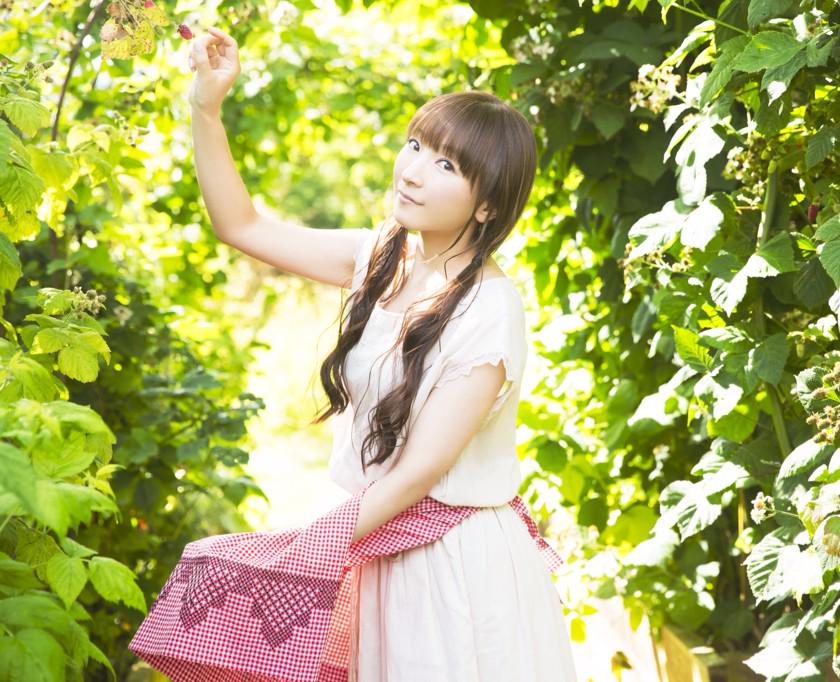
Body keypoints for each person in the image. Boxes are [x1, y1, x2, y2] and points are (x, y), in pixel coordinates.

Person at [129, 26, 578, 681]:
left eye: (447, 166)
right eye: (416, 145)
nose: (413, 171)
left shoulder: (489, 309)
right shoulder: (383, 254)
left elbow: (419, 473)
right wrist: (206, 105)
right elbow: (241, 226)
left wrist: (308, 548)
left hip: (448, 569)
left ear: (487, 205)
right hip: (375, 545)